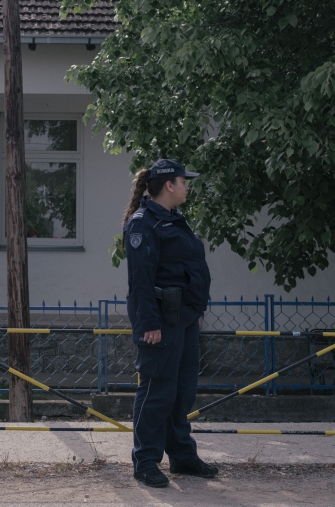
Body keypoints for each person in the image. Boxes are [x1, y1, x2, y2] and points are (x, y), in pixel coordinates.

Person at [123, 159, 218, 487]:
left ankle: (182, 457)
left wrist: (194, 309)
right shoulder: (143, 224)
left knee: (182, 392)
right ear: (169, 185)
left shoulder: (174, 219)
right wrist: (149, 322)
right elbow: (141, 280)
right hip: (159, 321)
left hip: (184, 318)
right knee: (156, 390)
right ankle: (145, 461)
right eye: (183, 180)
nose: (187, 186)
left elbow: (185, 267)